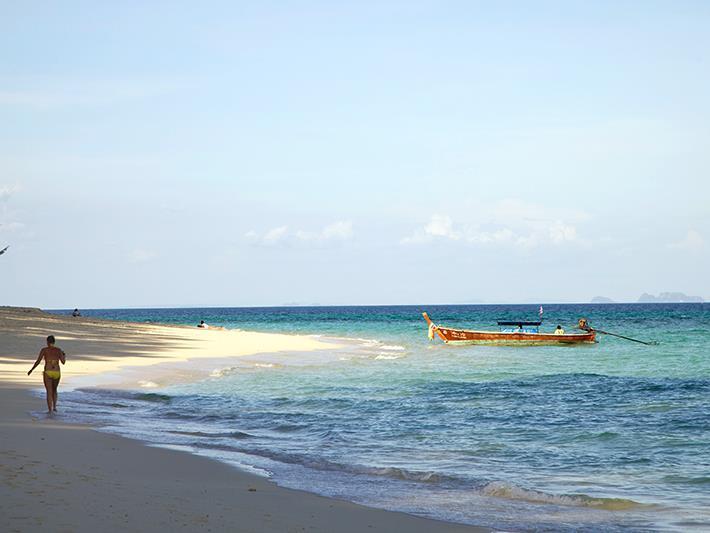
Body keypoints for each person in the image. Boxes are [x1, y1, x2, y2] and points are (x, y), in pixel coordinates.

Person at [28, 335, 66, 413]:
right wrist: (64, 355)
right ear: (54, 342)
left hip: (48, 372)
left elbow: (38, 361)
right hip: (57, 372)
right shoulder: (58, 350)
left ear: (47, 342)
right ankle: (55, 407)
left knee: (49, 391)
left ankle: (50, 410)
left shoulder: (44, 350)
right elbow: (63, 362)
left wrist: (31, 369)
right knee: (54, 390)